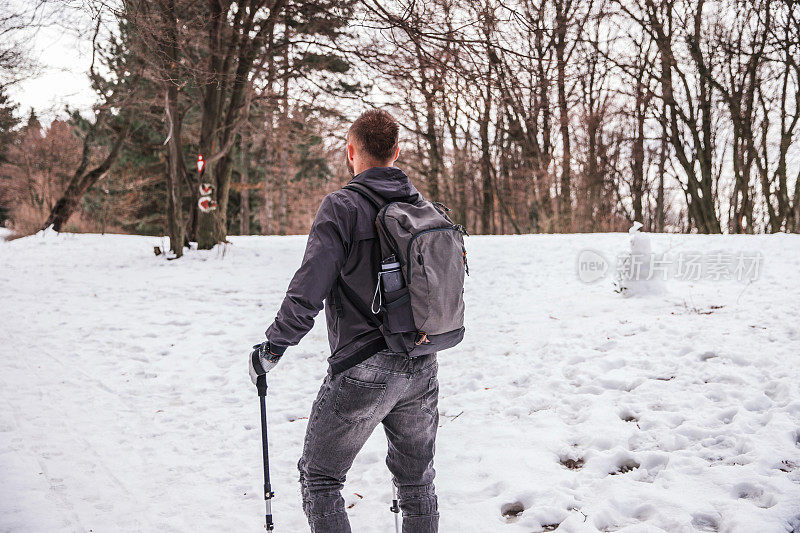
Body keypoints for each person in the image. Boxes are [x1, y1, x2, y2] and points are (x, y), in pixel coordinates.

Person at [249, 109, 440, 533]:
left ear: (351, 152)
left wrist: (273, 347)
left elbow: (309, 285)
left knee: (320, 479)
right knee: (417, 484)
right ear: (396, 151)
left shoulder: (342, 206)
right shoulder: (421, 207)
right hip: (423, 362)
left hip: (365, 367)